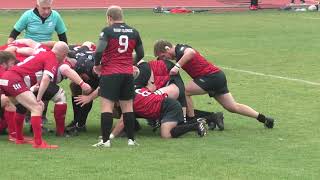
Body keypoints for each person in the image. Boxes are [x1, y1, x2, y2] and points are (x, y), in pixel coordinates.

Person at [153, 40, 275, 130]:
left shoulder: (180, 49)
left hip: (210, 77)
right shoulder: (178, 53)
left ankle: (191, 119)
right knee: (232, 107)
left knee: (184, 91)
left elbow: (191, 52)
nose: (166, 59)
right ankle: (263, 119)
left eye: (164, 56)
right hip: (217, 77)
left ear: (167, 48)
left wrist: (177, 66)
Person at [0, 41, 69, 149]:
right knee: (37, 107)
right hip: (14, 79)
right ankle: (38, 143)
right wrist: (39, 98)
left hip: (5, 77)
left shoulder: (43, 50)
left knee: (20, 107)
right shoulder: (52, 58)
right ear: (64, 55)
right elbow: (46, 79)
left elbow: (32, 44)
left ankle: (19, 138)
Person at [92, 5, 144, 147]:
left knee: (107, 107)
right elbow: (141, 54)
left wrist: (97, 65)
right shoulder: (134, 32)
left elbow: (99, 51)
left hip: (110, 73)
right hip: (127, 74)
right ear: (121, 16)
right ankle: (131, 140)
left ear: (109, 17)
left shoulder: (107, 31)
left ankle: (105, 141)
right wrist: (130, 63)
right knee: (127, 107)